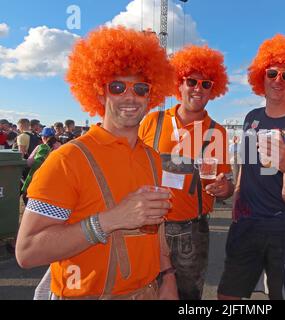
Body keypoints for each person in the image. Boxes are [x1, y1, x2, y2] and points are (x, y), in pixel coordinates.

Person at [16, 26, 178, 300]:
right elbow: (27, 251)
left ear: (151, 96)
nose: (130, 96)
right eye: (117, 86)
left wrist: (168, 277)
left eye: (140, 88)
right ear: (100, 94)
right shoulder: (67, 160)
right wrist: (110, 220)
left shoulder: (151, 157)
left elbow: (156, 225)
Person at [217, 34, 285, 300]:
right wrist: (237, 202)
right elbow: (246, 166)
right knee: (228, 296)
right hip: (247, 224)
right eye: (272, 73)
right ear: (260, 77)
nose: (278, 80)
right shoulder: (252, 118)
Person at [139, 45, 234, 300]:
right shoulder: (152, 122)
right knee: (145, 291)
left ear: (213, 91)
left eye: (206, 84)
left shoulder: (217, 132)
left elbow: (226, 183)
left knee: (188, 296)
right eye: (191, 81)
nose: (198, 88)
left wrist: (225, 189)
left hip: (192, 231)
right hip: (148, 226)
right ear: (178, 84)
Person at [21, 127, 61, 202]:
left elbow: (30, 163)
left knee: (28, 199)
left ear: (44, 137)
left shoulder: (41, 147)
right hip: (54, 180)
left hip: (38, 179)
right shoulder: (61, 146)